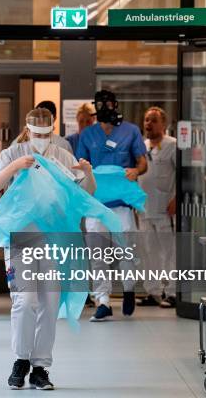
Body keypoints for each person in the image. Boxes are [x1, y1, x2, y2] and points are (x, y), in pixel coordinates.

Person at [0, 108, 96, 390]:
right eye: (37, 134)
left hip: (55, 239)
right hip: (21, 238)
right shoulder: (13, 153)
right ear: (27, 130)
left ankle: (40, 367)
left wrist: (87, 172)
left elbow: (87, 192)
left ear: (53, 131)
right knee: (25, 301)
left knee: (49, 303)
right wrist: (16, 167)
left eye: (46, 135)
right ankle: (20, 359)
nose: (41, 139)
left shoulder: (61, 154)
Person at [76, 90, 148, 321]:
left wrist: (136, 171)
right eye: (100, 103)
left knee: (126, 251)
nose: (104, 106)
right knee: (97, 255)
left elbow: (142, 162)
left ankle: (128, 289)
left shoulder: (131, 131)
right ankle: (103, 301)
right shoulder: (88, 135)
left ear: (115, 104)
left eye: (107, 103)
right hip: (96, 204)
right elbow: (80, 165)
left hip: (122, 205)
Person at [136, 107, 177, 308]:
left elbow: (183, 175)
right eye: (146, 120)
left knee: (168, 251)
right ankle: (152, 292)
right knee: (148, 251)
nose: (148, 124)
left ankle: (171, 292)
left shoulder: (173, 145)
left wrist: (176, 198)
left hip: (165, 208)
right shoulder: (141, 147)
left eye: (153, 120)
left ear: (164, 124)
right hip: (144, 208)